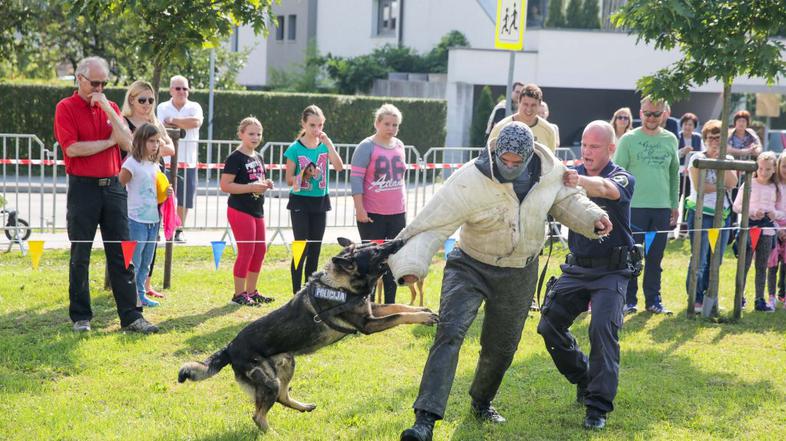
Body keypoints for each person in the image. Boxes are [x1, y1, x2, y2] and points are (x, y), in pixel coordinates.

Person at [390, 121, 611, 441]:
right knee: (449, 333)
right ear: (494, 152)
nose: (508, 166)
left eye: (515, 162)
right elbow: (432, 224)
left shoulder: (549, 169)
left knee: (501, 347)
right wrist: (412, 263)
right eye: (502, 160)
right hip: (469, 265)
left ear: (528, 156)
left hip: (520, 270)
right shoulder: (469, 178)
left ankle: (481, 402)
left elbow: (567, 200)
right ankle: (424, 421)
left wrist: (593, 218)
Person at [537, 120, 636, 431]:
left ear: (610, 148)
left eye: (594, 146)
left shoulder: (621, 176)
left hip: (612, 272)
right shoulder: (570, 172)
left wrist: (576, 180)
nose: (587, 150)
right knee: (548, 325)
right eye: (584, 144)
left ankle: (597, 408)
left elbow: (607, 189)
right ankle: (584, 378)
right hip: (577, 268)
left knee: (602, 331)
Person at [54, 56, 158, 333]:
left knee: (123, 252)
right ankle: (81, 316)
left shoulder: (110, 106)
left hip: (113, 187)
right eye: (94, 83)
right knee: (81, 254)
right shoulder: (65, 107)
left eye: (103, 83)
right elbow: (73, 149)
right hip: (83, 188)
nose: (98, 88)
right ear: (80, 79)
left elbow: (128, 143)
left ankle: (131, 316)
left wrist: (110, 112)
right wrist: (108, 142)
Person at [613, 96, 679, 315]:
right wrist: (618, 205)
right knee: (631, 255)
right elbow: (617, 174)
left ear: (664, 114)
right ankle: (628, 300)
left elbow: (673, 175)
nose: (651, 118)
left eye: (656, 114)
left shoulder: (670, 139)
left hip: (661, 207)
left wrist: (674, 204)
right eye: (647, 113)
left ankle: (653, 300)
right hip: (634, 207)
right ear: (640, 113)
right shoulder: (628, 139)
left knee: (655, 258)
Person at [122, 80, 175, 300]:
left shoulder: (156, 121)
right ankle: (130, 288)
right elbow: (128, 146)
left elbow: (170, 148)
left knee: (150, 244)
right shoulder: (124, 121)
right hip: (134, 191)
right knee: (134, 246)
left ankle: (145, 286)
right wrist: (146, 147)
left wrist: (152, 148)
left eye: (150, 100)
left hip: (154, 185)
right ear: (131, 100)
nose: (146, 104)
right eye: (142, 100)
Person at [284, 105, 344, 294]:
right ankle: (295, 292)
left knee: (315, 248)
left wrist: (329, 145)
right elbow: (288, 180)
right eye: (312, 125)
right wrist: (306, 174)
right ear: (303, 123)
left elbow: (339, 167)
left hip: (320, 200)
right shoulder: (294, 148)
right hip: (300, 201)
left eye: (320, 125)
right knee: (300, 246)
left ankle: (308, 291)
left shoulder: (325, 147)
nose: (316, 130)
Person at [351, 104, 407, 304]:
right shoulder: (366, 146)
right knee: (371, 261)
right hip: (372, 214)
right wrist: (360, 209)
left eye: (395, 125)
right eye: (387, 124)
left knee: (394, 260)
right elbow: (356, 179)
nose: (391, 128)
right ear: (377, 123)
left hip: (397, 213)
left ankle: (390, 305)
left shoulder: (400, 146)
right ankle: (368, 304)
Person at [220, 117, 275, 306]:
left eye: (258, 134)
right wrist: (251, 187)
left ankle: (252, 291)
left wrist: (266, 184)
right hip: (239, 209)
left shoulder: (258, 156)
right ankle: (239, 294)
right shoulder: (235, 158)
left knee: (259, 250)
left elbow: (257, 180)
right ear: (241, 134)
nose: (255, 137)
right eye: (251, 133)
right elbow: (225, 185)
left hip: (257, 209)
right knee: (247, 251)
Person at [684, 120, 737, 311]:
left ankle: (710, 296)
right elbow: (700, 187)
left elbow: (732, 182)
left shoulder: (728, 159)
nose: (715, 141)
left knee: (717, 259)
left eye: (719, 137)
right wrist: (719, 186)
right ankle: (695, 297)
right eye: (711, 137)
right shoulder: (697, 157)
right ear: (705, 139)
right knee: (700, 258)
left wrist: (720, 162)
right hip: (701, 213)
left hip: (721, 215)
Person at [119, 124, 166, 308]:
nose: (155, 145)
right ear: (140, 141)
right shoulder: (131, 163)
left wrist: (165, 192)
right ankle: (130, 297)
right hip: (135, 220)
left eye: (157, 141)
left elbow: (157, 189)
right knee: (135, 262)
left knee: (146, 262)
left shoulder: (155, 165)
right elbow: (118, 186)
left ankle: (141, 294)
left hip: (153, 221)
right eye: (151, 141)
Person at [157, 75, 204, 243]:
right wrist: (182, 123)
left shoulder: (195, 106)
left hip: (188, 161)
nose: (182, 91)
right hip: (166, 160)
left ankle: (179, 229)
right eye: (178, 88)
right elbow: (161, 126)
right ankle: (158, 228)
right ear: (171, 90)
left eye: (185, 88)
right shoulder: (162, 106)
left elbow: (196, 122)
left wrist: (173, 121)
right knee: (162, 195)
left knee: (184, 198)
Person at [734, 151, 782, 312]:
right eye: (760, 168)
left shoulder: (775, 187)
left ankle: (759, 299)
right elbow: (737, 206)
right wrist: (753, 211)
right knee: (744, 265)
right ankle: (739, 297)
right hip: (749, 228)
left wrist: (775, 214)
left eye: (767, 169)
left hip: (767, 230)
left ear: (774, 169)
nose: (763, 172)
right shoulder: (749, 183)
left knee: (762, 266)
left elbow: (780, 210)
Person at [488, 83, 557, 151]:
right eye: (525, 104)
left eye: (533, 105)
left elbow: (550, 160)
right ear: (519, 102)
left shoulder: (548, 130)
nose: (529, 109)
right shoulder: (501, 127)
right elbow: (489, 156)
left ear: (539, 105)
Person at [768, 151, 786, 307]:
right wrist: (777, 229)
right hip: (774, 228)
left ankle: (784, 294)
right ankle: (771, 295)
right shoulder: (774, 187)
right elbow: (770, 209)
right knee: (772, 264)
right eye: (785, 166)